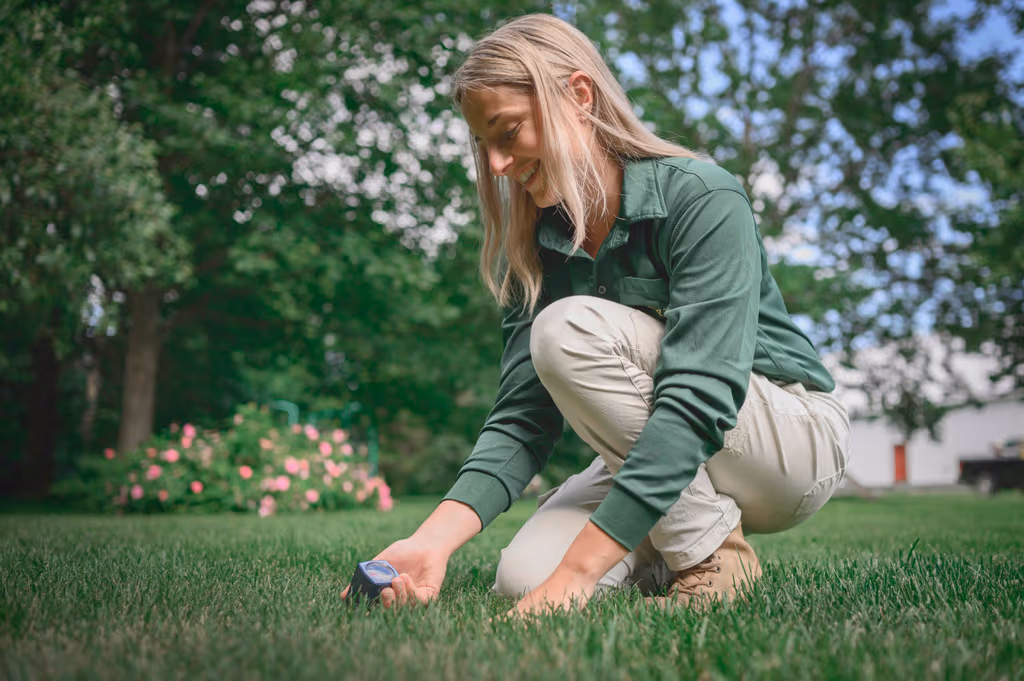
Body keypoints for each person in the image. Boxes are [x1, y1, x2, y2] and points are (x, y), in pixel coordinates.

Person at [341, 13, 850, 616]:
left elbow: (698, 396)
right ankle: (672, 544)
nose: (497, 164)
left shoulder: (703, 196)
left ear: (580, 96)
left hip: (787, 444)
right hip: (675, 453)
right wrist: (430, 543)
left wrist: (579, 573)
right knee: (525, 578)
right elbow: (523, 420)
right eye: (484, 145)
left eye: (508, 132)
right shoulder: (534, 251)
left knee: (566, 330)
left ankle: (713, 560)